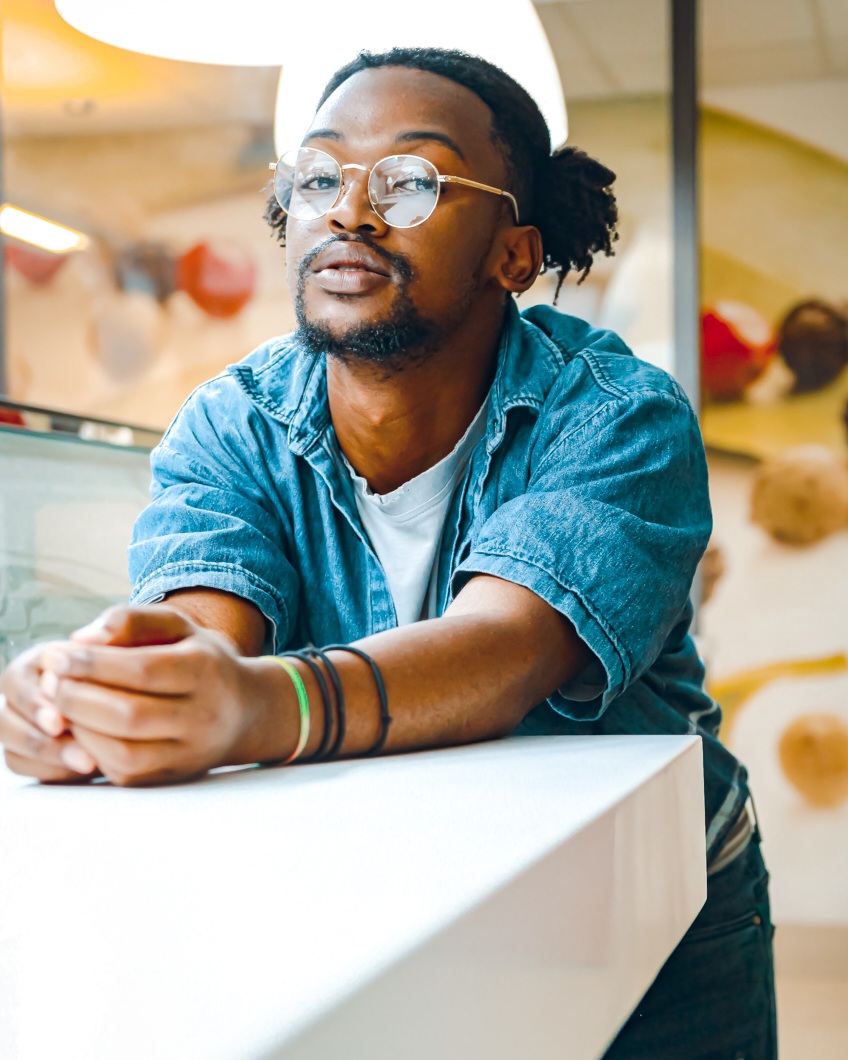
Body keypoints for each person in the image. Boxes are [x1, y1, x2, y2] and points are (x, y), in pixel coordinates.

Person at [0, 47, 775, 1059]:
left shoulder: (616, 412)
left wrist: (248, 704)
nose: (349, 211)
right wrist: (106, 690)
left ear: (512, 251)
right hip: (388, 873)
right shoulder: (229, 422)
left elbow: (503, 651)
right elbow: (205, 634)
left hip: (644, 890)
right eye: (318, 177)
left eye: (410, 180)